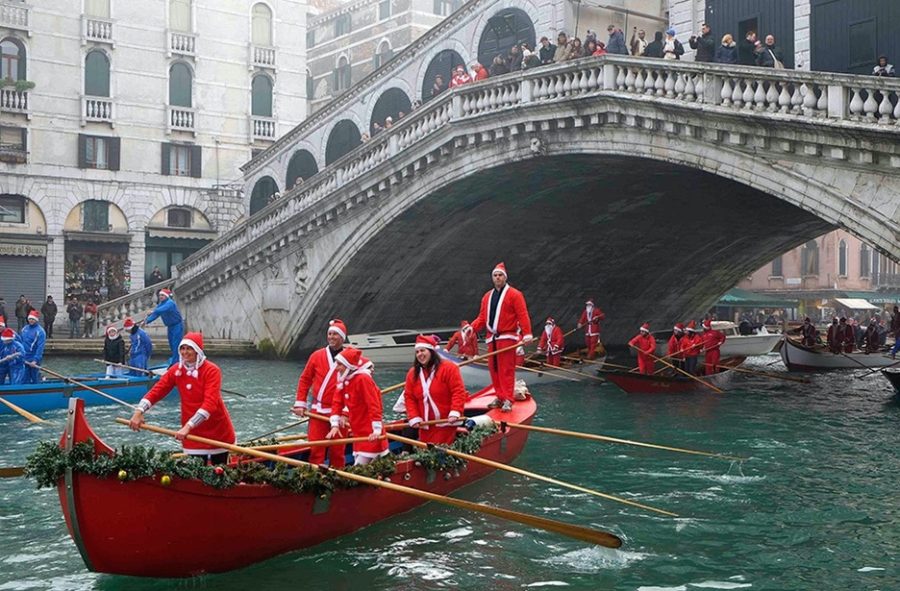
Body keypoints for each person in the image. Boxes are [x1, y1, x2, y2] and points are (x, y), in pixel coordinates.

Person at [129, 332, 236, 465]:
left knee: (220, 472)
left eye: (189, 348)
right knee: (195, 473)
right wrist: (139, 411)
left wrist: (188, 426)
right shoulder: (176, 370)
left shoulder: (212, 370)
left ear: (197, 350)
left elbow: (210, 403)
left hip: (217, 432)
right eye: (182, 348)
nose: (185, 352)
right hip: (192, 435)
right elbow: (157, 391)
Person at [469, 262, 533, 412]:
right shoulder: (487, 297)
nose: (497, 278)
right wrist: (471, 328)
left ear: (505, 277)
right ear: (492, 278)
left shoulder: (515, 294)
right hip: (492, 339)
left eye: (500, 275)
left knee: (506, 369)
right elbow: (482, 318)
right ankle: (500, 396)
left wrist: (527, 333)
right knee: (494, 369)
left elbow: (522, 315)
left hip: (507, 338)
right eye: (495, 276)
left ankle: (508, 399)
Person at [292, 319, 349, 468]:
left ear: (342, 337)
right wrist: (300, 403)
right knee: (316, 449)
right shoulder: (317, 356)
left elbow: (355, 385)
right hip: (318, 411)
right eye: (329, 334)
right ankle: (315, 477)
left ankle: (339, 479)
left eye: (335, 334)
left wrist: (346, 413)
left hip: (339, 412)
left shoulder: (350, 357)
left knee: (338, 451)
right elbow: (305, 379)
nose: (331, 337)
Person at [326, 347, 389, 466]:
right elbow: (337, 402)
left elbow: (374, 404)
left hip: (370, 433)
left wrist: (376, 429)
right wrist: (334, 425)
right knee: (362, 464)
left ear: (348, 365)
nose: (337, 368)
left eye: (340, 364)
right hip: (358, 432)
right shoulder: (345, 380)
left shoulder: (363, 379)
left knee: (359, 468)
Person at [403, 335, 467, 445]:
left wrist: (455, 412)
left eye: (422, 350)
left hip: (446, 422)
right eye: (417, 352)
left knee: (438, 452)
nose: (420, 354)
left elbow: (458, 391)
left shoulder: (449, 368)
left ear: (431, 351)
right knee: (426, 452)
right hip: (425, 424)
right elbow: (409, 397)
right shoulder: (412, 373)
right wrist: (414, 416)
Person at [145, 288, 184, 366]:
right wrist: (147, 321)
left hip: (177, 325)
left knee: (176, 344)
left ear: (166, 296)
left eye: (162, 295)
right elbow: (156, 314)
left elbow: (161, 310)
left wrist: (152, 311)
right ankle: (174, 359)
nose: (160, 297)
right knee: (171, 344)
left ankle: (176, 362)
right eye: (159, 295)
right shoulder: (161, 304)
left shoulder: (170, 303)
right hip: (170, 326)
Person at [20, 310, 46, 384]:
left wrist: (35, 360)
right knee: (24, 378)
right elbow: (20, 342)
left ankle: (38, 389)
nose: (31, 320)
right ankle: (25, 390)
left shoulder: (40, 331)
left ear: (36, 320)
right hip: (25, 358)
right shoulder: (24, 328)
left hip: (34, 359)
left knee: (35, 379)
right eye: (30, 319)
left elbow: (40, 347)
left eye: (33, 319)